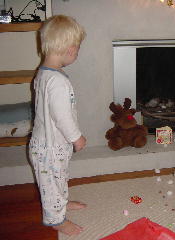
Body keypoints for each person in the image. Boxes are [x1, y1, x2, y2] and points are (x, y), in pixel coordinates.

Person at [29, 15, 87, 236]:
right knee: (52, 182)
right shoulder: (58, 82)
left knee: (58, 178)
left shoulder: (44, 73)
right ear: (69, 49)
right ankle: (56, 220)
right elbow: (61, 116)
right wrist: (76, 137)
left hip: (49, 145)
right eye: (77, 47)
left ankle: (60, 203)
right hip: (50, 147)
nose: (77, 52)